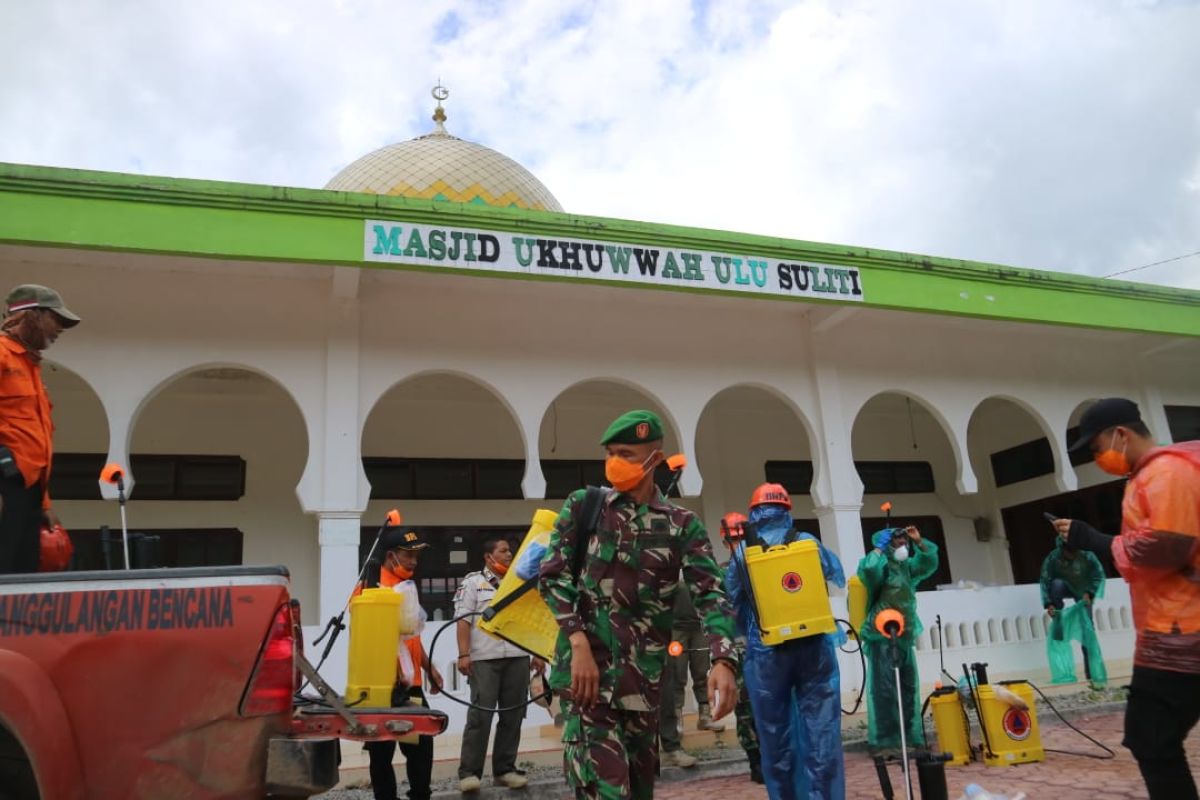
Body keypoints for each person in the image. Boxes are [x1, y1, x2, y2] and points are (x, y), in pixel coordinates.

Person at [538, 409, 738, 800]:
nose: (616, 462)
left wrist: (723, 659)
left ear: (655, 459)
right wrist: (577, 642)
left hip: (644, 684)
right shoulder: (585, 507)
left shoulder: (682, 525)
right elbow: (553, 577)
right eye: (611, 452)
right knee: (607, 791)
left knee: (639, 790)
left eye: (627, 454)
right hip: (586, 682)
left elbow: (710, 592)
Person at [1053, 397, 1200, 799]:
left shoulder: (1166, 473)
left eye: (1097, 448)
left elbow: (1169, 548)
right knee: (1151, 739)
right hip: (1171, 631)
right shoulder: (1150, 475)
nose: (1098, 457)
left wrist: (1097, 541)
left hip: (1182, 634)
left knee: (1150, 738)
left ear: (1121, 434)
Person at [725, 483, 846, 799]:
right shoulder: (807, 542)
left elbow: (731, 606)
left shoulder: (742, 554)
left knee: (775, 739)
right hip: (815, 648)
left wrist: (748, 633)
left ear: (754, 513)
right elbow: (838, 576)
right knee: (823, 735)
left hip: (767, 654)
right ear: (787, 510)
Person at [0, 284, 80, 574]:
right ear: (31, 316)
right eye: (54, 319)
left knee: (24, 573)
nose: (59, 328)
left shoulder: (30, 366)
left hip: (29, 491)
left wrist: (44, 502)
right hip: (5, 483)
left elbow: (37, 440)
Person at [453, 536, 541, 793]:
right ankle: (469, 773)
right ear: (488, 557)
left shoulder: (519, 581)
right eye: (503, 551)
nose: (508, 554)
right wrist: (463, 654)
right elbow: (463, 620)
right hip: (484, 658)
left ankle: (505, 770)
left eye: (509, 551)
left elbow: (530, 620)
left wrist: (537, 653)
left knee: (513, 714)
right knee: (481, 715)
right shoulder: (473, 583)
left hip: (517, 656)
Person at [363, 528, 444, 800]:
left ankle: (420, 795)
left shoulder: (407, 587)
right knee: (381, 750)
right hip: (379, 687)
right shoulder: (369, 588)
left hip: (411, 685)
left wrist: (429, 668)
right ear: (390, 556)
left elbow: (411, 638)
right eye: (408, 555)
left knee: (420, 745)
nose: (413, 561)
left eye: (416, 556)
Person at [857, 524, 938, 756]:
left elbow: (928, 563)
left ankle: (910, 737)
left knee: (908, 688)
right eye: (898, 540)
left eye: (905, 540)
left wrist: (919, 542)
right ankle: (885, 742)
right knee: (884, 690)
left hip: (904, 635)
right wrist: (879, 549)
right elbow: (869, 571)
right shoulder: (881, 568)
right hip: (881, 635)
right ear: (887, 544)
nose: (903, 543)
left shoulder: (907, 568)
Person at [717, 511, 763, 785]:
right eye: (733, 540)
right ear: (726, 542)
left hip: (766, 644)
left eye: (741, 538)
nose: (737, 544)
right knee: (745, 707)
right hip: (739, 647)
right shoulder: (722, 571)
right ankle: (756, 761)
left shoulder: (762, 563)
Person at [1039, 536, 1107, 689]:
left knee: (1087, 630)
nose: (1071, 556)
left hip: (1084, 592)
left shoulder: (1088, 556)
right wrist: (1049, 603)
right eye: (1067, 553)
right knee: (1056, 584)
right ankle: (1058, 617)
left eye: (1073, 552)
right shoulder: (1053, 558)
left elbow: (1098, 576)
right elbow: (1045, 580)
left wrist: (1090, 593)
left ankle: (1092, 673)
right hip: (1064, 587)